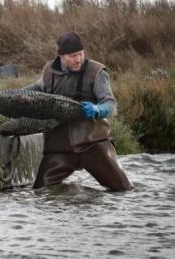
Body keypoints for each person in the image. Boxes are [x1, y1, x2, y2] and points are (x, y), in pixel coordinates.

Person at [23, 32, 133, 191]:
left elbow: (111, 104)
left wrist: (97, 109)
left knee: (123, 190)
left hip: (93, 146)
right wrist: (16, 94)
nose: (79, 59)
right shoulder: (49, 71)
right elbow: (36, 89)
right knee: (40, 192)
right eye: (73, 56)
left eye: (81, 54)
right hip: (59, 149)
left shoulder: (97, 71)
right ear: (61, 56)